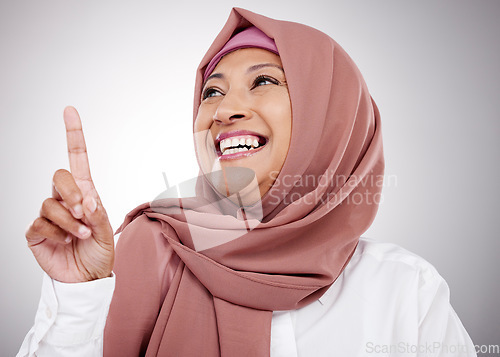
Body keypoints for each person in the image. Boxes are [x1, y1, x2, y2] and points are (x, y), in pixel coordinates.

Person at [18, 7, 476, 357]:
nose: (222, 111)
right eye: (212, 92)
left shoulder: (403, 290)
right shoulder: (150, 252)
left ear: (330, 117)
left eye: (264, 82)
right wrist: (78, 294)